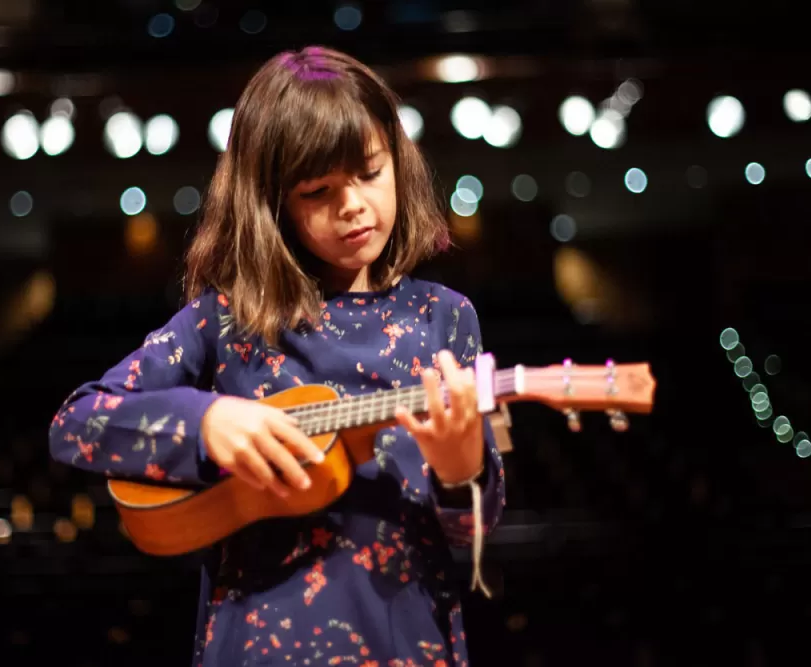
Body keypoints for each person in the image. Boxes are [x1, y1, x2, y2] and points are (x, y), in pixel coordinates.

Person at [48, 46, 505, 666]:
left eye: (371, 172)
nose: (352, 204)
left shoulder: (444, 318)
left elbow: (470, 537)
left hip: (404, 641)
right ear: (273, 206)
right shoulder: (227, 320)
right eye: (318, 190)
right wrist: (206, 421)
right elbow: (78, 423)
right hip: (258, 643)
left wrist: (461, 468)